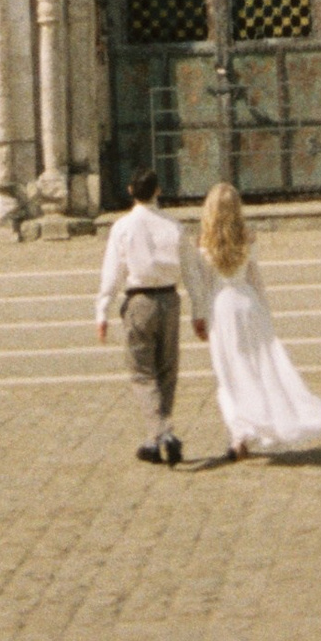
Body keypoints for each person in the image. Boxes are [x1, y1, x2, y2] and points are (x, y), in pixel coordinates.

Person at [192, 181, 321, 459]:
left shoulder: (203, 244)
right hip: (248, 303)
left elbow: (203, 286)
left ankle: (239, 435)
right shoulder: (247, 239)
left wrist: (199, 316)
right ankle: (253, 423)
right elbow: (256, 280)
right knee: (257, 367)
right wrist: (265, 314)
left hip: (221, 307)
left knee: (228, 372)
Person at [94, 168, 208, 466]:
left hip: (139, 301)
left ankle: (162, 433)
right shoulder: (174, 226)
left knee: (143, 372)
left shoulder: (122, 227)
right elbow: (192, 271)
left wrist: (102, 309)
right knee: (167, 370)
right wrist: (200, 310)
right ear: (158, 191)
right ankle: (157, 436)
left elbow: (113, 271)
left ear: (131, 191)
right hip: (169, 300)